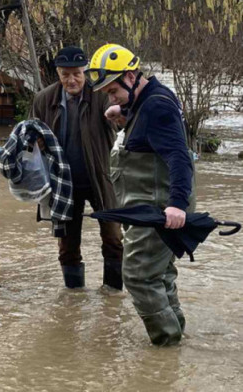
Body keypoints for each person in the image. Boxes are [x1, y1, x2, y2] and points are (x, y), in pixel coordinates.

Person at [86, 43, 195, 346]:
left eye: (112, 91)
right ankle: (177, 335)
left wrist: (176, 205)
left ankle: (166, 345)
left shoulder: (157, 105)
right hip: (148, 203)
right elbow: (145, 114)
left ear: (131, 76)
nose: (110, 97)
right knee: (159, 273)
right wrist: (123, 109)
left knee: (137, 274)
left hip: (159, 207)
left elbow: (179, 157)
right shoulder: (149, 98)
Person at [30, 46, 124, 290]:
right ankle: (73, 299)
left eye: (77, 74)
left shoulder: (103, 95)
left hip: (101, 178)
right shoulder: (44, 99)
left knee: (114, 239)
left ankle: (112, 295)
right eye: (64, 74)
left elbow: (125, 124)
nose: (71, 80)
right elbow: (32, 137)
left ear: (85, 73)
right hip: (63, 183)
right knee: (67, 246)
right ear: (58, 74)